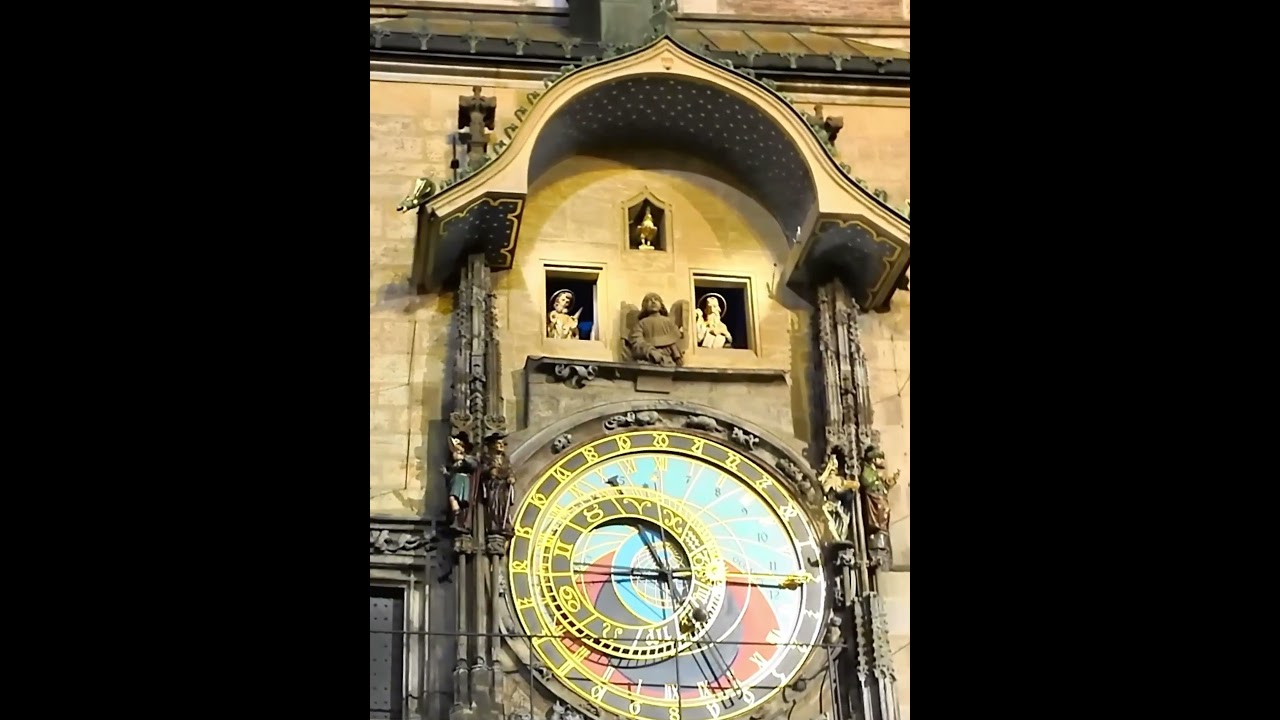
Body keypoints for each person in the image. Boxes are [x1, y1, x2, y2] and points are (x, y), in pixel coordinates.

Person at [626, 292, 683, 366]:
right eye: (649, 300)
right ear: (645, 306)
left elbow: (673, 341)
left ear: (661, 305)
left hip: (667, 359)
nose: (653, 301)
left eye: (656, 299)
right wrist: (650, 351)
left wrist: (677, 356)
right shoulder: (641, 323)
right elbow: (637, 342)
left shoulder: (667, 321)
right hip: (649, 357)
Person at [443, 433, 478, 532]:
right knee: (453, 498)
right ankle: (456, 516)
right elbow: (451, 475)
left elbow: (474, 465)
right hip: (456, 480)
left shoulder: (467, 459)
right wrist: (445, 473)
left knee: (454, 498)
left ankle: (458, 515)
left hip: (462, 480)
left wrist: (463, 458)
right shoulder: (454, 463)